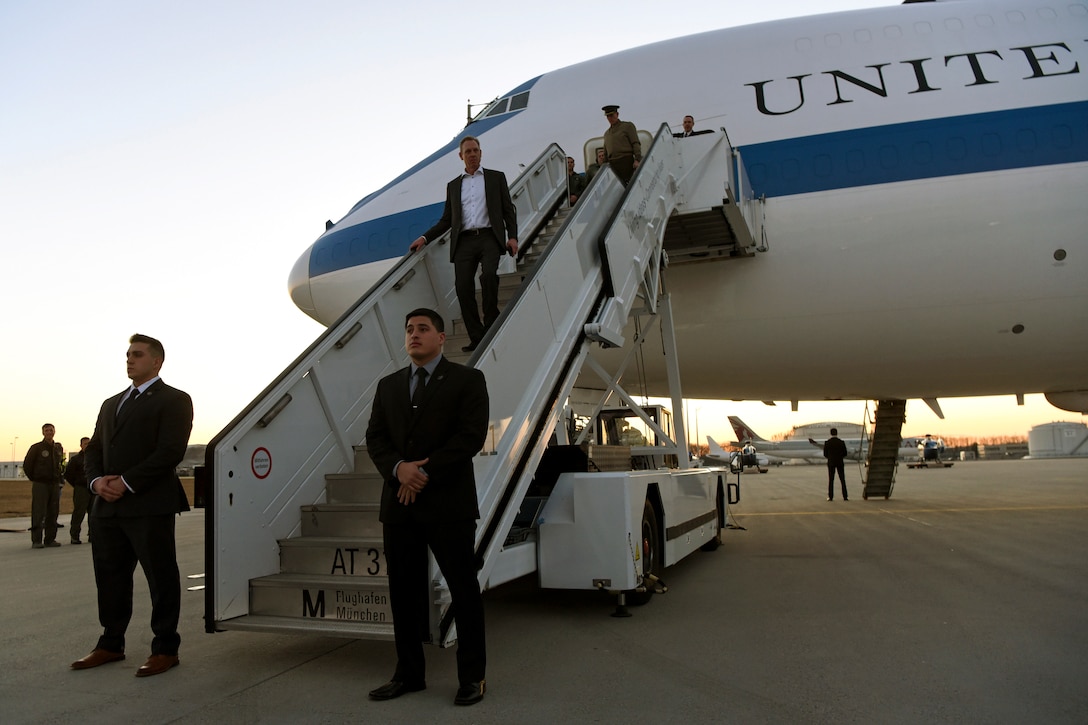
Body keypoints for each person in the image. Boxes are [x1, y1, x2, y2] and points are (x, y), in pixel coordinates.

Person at [365, 308, 489, 707]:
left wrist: (423, 473)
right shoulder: (388, 386)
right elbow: (376, 438)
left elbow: (469, 438)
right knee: (402, 593)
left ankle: (472, 677)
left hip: (448, 504)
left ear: (440, 338)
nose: (414, 335)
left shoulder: (468, 380)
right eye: (409, 330)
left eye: (422, 329)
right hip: (399, 506)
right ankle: (408, 673)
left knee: (463, 591)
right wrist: (398, 469)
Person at [70, 333, 193, 678]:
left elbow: (170, 451)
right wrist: (96, 483)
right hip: (106, 507)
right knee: (109, 578)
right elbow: (92, 450)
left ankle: (165, 647)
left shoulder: (174, 400)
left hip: (149, 504)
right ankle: (110, 643)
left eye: (137, 355)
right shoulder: (111, 403)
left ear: (156, 361)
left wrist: (125, 482)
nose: (129, 360)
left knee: (160, 576)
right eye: (127, 355)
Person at [409, 136, 518, 353]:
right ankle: (477, 337)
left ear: (481, 153)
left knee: (488, 276)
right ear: (461, 156)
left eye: (476, 150)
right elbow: (447, 220)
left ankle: (491, 324)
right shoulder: (454, 186)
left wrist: (512, 236)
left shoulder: (496, 178)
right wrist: (425, 237)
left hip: (489, 237)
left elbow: (508, 210)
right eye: (468, 151)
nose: (472, 154)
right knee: (462, 288)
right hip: (464, 241)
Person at [23, 423, 64, 548]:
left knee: (53, 512)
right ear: (43, 432)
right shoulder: (36, 448)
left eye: (51, 430)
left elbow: (60, 465)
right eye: (46, 430)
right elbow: (27, 465)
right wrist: (35, 478)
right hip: (41, 484)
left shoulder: (58, 448)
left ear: (54, 431)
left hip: (54, 484)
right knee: (39, 512)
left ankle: (50, 539)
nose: (49, 432)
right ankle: (36, 540)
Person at [601, 105, 641, 186]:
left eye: (611, 115)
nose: (610, 118)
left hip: (626, 161)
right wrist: (604, 167)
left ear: (617, 114)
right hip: (613, 165)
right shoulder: (607, 133)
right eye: (608, 116)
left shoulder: (627, 126)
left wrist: (637, 159)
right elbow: (605, 153)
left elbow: (635, 143)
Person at [64, 436, 91, 544]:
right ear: (81, 445)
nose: (87, 446)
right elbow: (68, 474)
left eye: (89, 444)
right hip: (81, 489)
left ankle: (93, 535)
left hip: (93, 489)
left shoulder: (95, 457)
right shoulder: (76, 459)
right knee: (79, 513)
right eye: (85, 444)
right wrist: (77, 484)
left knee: (93, 514)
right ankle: (75, 535)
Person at [823, 428, 849, 501]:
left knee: (831, 480)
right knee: (842, 480)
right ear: (837, 433)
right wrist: (839, 457)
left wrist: (831, 458)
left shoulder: (827, 442)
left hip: (831, 463)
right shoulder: (841, 442)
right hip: (840, 462)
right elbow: (845, 453)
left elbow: (825, 454)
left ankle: (830, 497)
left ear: (830, 433)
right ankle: (845, 496)